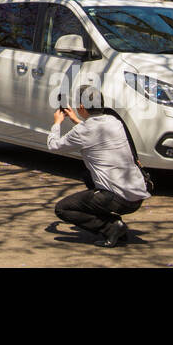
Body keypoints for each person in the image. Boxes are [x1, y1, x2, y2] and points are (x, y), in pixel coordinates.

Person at [47, 85, 149, 247]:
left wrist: (57, 123)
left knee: (63, 209)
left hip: (117, 198)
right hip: (137, 196)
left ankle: (111, 227)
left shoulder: (83, 130)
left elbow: (54, 145)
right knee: (87, 176)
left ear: (81, 107)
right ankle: (114, 225)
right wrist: (76, 120)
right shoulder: (114, 121)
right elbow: (95, 132)